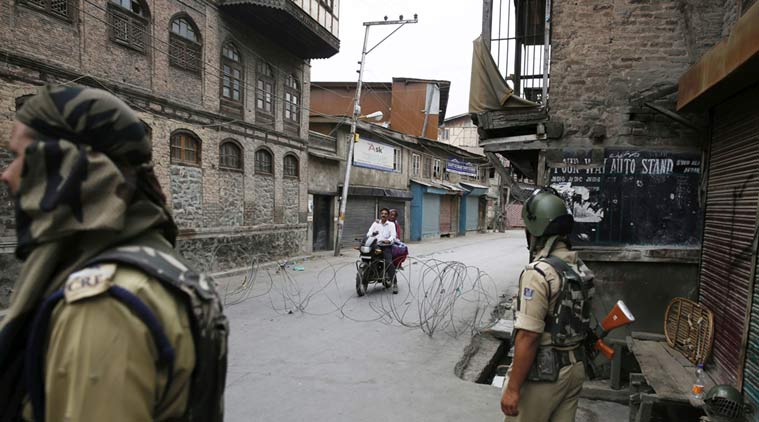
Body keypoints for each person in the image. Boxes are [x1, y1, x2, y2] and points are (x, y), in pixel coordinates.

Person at [0, 85, 228, 421]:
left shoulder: (103, 303)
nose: (6, 174)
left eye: (19, 156)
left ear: (67, 165)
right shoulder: (152, 264)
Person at [500, 187, 594, 422]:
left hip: (544, 375)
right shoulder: (579, 268)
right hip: (575, 368)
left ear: (534, 229)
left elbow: (528, 336)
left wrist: (512, 389)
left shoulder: (539, 272)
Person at [366, 208, 398, 293]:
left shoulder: (391, 224)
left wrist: (389, 240)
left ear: (388, 215)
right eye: (382, 213)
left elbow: (393, 235)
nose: (383, 215)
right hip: (376, 245)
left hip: (386, 246)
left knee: (389, 263)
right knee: (369, 259)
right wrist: (373, 234)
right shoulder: (376, 223)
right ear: (380, 215)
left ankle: (394, 283)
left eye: (385, 214)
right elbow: (368, 233)